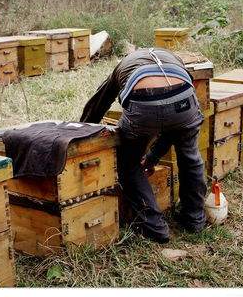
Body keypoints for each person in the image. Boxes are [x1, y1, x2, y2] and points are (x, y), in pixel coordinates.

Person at [79, 47, 207, 243]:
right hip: (183, 100)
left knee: (129, 162)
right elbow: (173, 127)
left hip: (143, 105)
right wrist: (153, 157)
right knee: (190, 156)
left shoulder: (123, 65)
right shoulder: (174, 58)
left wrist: (82, 136)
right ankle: (195, 219)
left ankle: (155, 228)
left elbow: (99, 103)